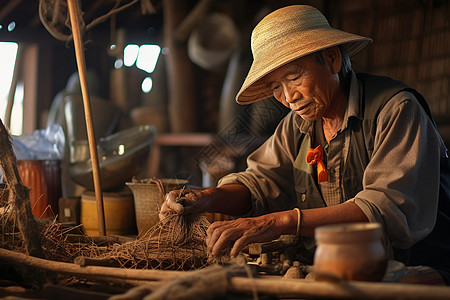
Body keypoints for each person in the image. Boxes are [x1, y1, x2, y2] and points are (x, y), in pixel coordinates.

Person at [160, 5, 450, 284]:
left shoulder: (395, 110)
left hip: (417, 270)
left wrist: (281, 221)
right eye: (275, 87)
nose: (288, 97)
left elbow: (384, 208)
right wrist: (206, 197)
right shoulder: (297, 125)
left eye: (294, 77)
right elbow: (261, 182)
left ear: (333, 59)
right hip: (336, 269)